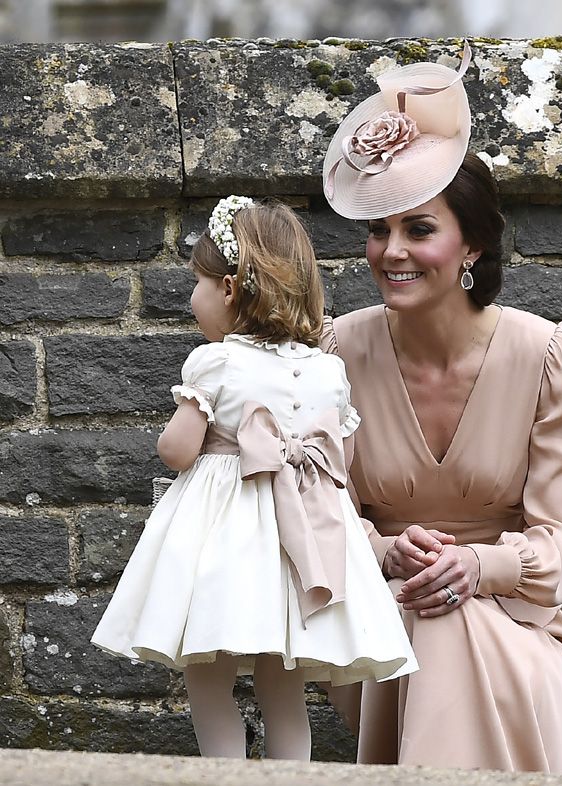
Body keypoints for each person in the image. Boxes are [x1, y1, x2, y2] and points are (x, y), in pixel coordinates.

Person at [319, 42, 562, 773]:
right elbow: (318, 521)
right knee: (429, 613)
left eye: (418, 228)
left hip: (517, 628)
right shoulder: (335, 355)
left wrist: (478, 565)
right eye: (378, 230)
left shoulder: (544, 356)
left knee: (451, 617)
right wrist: (385, 552)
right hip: (381, 629)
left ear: (470, 243)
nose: (391, 252)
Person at [91, 197, 417, 761]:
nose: (193, 296)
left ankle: (224, 771)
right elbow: (343, 458)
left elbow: (176, 451)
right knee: (283, 682)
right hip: (297, 544)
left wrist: (186, 435)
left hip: (227, 542)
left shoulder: (216, 362)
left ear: (230, 289)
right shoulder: (327, 370)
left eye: (198, 281)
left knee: (208, 673)